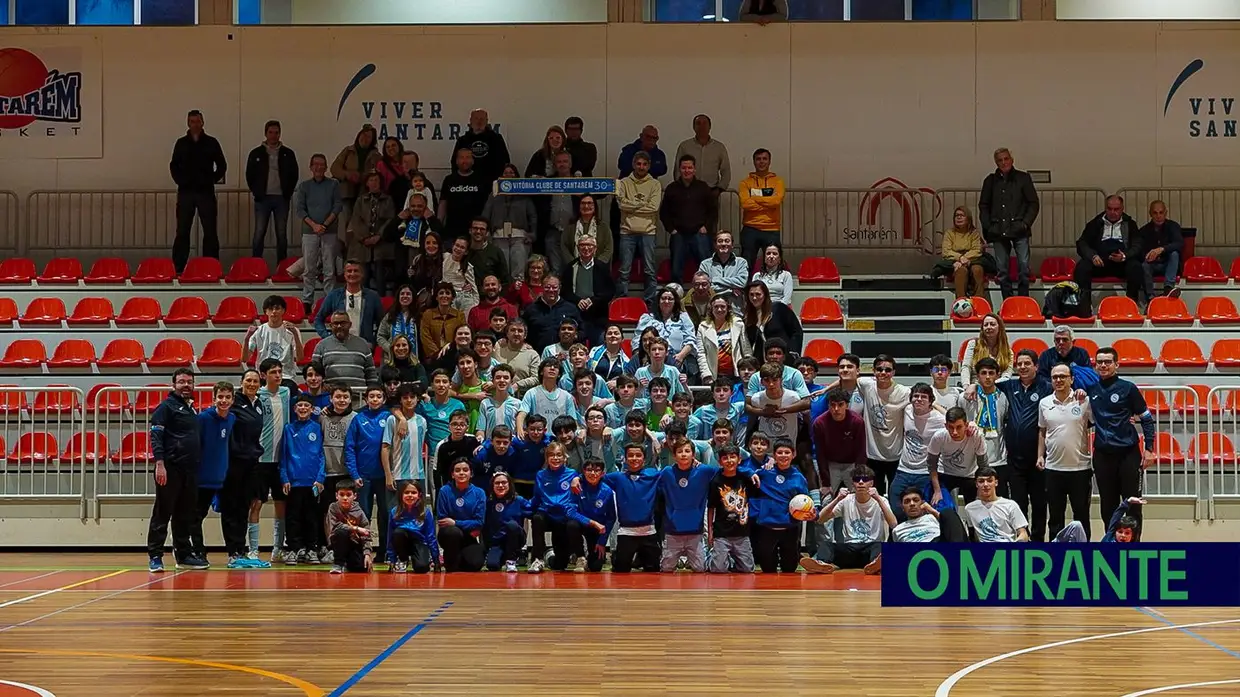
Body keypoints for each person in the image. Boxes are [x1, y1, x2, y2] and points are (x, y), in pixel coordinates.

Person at [1088, 345, 1155, 523]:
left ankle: (1133, 541)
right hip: (1103, 455)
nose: (1103, 365)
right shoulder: (1091, 390)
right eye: (1099, 362)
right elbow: (1087, 419)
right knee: (1107, 506)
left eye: (1107, 362)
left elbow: (1147, 419)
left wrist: (1149, 449)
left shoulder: (1128, 388)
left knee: (1132, 504)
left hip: (1128, 455)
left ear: (1116, 365)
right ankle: (1110, 539)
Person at [146, 368, 204, 572]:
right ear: (174, 385)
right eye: (181, 382)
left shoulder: (190, 408)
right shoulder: (166, 408)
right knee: (163, 513)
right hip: (170, 468)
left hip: (190, 470)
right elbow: (156, 437)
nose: (186, 385)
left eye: (189, 381)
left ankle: (184, 555)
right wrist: (160, 464)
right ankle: (155, 556)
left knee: (184, 514)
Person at [994, 348, 1052, 541]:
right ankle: (1022, 538)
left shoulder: (1047, 387)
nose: (1023, 367)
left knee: (1039, 502)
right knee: (1018, 503)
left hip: (1038, 458)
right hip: (1014, 459)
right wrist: (971, 387)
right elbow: (987, 383)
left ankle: (1038, 540)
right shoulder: (1009, 386)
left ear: (1036, 366)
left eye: (1027, 363)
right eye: (1019, 364)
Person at [802, 465, 894, 574]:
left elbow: (893, 524)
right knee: (826, 544)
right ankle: (821, 564)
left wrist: (878, 498)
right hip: (849, 550)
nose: (861, 482)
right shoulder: (846, 500)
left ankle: (876, 565)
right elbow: (820, 519)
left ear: (871, 483)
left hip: (871, 550)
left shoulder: (881, 500)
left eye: (865, 479)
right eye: (857, 479)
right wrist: (837, 499)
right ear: (852, 483)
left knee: (880, 546)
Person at [1038, 363, 1094, 541]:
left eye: (1063, 376)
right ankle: (1056, 552)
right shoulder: (1044, 403)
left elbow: (1099, 421)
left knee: (1081, 516)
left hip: (1080, 469)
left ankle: (1084, 552)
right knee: (1055, 517)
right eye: (1055, 377)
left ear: (1072, 379)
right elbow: (1042, 431)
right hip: (1053, 469)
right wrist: (1040, 455)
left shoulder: (1084, 401)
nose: (1058, 380)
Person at [169, 109, 227, 272]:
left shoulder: (211, 142)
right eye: (192, 121)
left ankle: (211, 266)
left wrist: (211, 179)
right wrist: (180, 181)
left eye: (197, 121)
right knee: (182, 231)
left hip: (205, 192)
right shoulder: (181, 143)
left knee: (210, 230)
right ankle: (179, 267)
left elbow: (222, 165)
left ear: (202, 123)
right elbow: (173, 165)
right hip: (186, 192)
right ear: (188, 123)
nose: (195, 124)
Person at [978, 147, 1039, 298]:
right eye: (1000, 160)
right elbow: (983, 205)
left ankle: (1023, 299)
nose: (1004, 162)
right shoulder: (990, 181)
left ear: (1012, 160)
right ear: (996, 163)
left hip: (1020, 229)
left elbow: (1033, 203)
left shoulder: (1023, 178)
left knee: (1024, 267)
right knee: (1002, 270)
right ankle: (1007, 301)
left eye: (1006, 159)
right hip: (998, 230)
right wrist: (988, 227)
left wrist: (1025, 223)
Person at [187, 380, 235, 569]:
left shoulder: (231, 419)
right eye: (220, 397)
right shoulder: (203, 419)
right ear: (214, 398)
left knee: (205, 513)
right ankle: (197, 551)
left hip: (219, 476)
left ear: (232, 400)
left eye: (228, 397)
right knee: (196, 515)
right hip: (201, 477)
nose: (224, 401)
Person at [225, 370, 268, 567]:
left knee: (244, 507)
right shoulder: (233, 403)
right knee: (231, 507)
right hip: (234, 462)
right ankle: (233, 551)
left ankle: (241, 549)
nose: (252, 384)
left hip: (252, 462)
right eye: (248, 380)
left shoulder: (257, 404)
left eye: (255, 381)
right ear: (241, 382)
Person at [1072, 194, 1141, 314]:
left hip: (1121, 263)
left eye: (1116, 209)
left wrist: (1125, 256)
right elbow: (1082, 243)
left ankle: (1131, 306)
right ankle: (1084, 307)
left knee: (1136, 267)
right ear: (1105, 208)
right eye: (1109, 209)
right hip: (1100, 262)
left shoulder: (1130, 224)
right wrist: (1093, 256)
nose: (1113, 212)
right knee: (1081, 268)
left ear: (1122, 209)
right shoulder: (1095, 223)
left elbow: (1137, 245)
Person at [294, 154, 344, 315]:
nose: (319, 167)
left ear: (326, 167)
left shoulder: (334, 184)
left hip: (329, 231)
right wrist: (314, 225)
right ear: (311, 167)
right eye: (315, 164)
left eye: (322, 164)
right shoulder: (304, 186)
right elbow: (300, 209)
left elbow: (337, 206)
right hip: (310, 231)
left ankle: (329, 300)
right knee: (309, 268)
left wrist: (325, 225)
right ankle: (307, 300)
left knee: (329, 268)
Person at [854, 355, 911, 496]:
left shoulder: (904, 392)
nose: (883, 373)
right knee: (875, 497)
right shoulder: (866, 385)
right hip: (872, 455)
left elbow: (926, 400)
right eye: (879, 369)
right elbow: (845, 378)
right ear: (873, 371)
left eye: (888, 370)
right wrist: (825, 390)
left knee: (896, 497)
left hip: (896, 456)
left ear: (894, 372)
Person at [279, 394, 325, 565]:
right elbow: (284, 456)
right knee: (293, 517)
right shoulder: (289, 429)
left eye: (307, 405)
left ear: (312, 409)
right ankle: (294, 549)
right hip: (294, 482)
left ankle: (311, 548)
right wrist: (284, 478)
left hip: (313, 482)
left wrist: (320, 478)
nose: (303, 408)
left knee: (312, 517)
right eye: (300, 405)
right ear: (295, 409)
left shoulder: (317, 428)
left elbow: (322, 455)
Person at [751, 438, 809, 573]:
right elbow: (741, 470)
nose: (783, 456)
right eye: (780, 452)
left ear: (793, 454)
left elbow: (806, 501)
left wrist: (812, 513)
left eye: (787, 452)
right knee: (768, 569)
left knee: (789, 568)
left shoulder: (799, 478)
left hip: (790, 528)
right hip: (767, 527)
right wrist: (750, 473)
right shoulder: (764, 472)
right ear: (774, 455)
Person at [602, 443, 662, 573]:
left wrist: (694, 463)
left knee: (654, 571)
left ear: (644, 459)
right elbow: (594, 477)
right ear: (625, 459)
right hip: (626, 533)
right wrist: (577, 479)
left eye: (638, 455)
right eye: (630, 455)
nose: (634, 458)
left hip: (649, 533)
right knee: (620, 571)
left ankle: (640, 559)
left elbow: (673, 472)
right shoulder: (617, 477)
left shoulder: (653, 474)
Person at [245, 120, 298, 263]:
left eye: (276, 133)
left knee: (281, 234)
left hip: (281, 199)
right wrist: (257, 192)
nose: (273, 136)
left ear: (280, 134)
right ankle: (256, 264)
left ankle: (282, 265)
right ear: (265, 133)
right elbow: (249, 175)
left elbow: (294, 174)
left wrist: (287, 193)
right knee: (259, 232)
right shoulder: (256, 153)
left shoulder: (288, 153)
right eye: (270, 132)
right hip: (263, 199)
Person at [889, 383, 946, 515]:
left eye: (924, 397)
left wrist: (936, 405)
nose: (919, 399)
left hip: (924, 473)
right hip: (903, 470)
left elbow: (953, 418)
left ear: (930, 401)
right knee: (896, 507)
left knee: (922, 511)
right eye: (916, 396)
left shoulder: (938, 419)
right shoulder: (907, 410)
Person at [348, 385, 392, 555]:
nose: (375, 399)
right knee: (363, 514)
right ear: (366, 399)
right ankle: (362, 550)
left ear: (384, 399)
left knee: (385, 513)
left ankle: (384, 551)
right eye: (371, 396)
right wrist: (354, 474)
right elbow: (350, 448)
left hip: (384, 476)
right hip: (363, 476)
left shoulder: (388, 417)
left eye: (378, 396)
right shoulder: (358, 419)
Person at [316, 383, 356, 559]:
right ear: (331, 399)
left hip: (347, 472)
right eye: (338, 397)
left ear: (350, 399)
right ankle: (330, 546)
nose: (342, 400)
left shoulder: (355, 418)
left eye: (345, 397)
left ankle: (346, 546)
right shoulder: (322, 416)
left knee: (346, 511)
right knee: (327, 511)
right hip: (327, 473)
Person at [616, 151, 663, 303]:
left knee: (649, 270)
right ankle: (621, 301)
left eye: (644, 164)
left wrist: (631, 206)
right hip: (627, 232)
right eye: (638, 164)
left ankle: (650, 303)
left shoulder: (655, 184)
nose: (641, 167)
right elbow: (621, 205)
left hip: (648, 232)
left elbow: (654, 207)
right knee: (624, 270)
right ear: (633, 165)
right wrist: (642, 204)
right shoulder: (623, 182)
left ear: (649, 166)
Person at [661, 154, 716, 279]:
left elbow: (713, 210)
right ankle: (677, 291)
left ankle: (708, 291)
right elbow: (664, 212)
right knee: (676, 269)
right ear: (679, 169)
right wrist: (671, 229)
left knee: (706, 269)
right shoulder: (671, 188)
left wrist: (706, 226)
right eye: (684, 168)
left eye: (690, 168)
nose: (687, 171)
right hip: (678, 234)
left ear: (694, 169)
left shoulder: (703, 187)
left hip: (700, 233)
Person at [481, 164, 538, 282]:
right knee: (503, 269)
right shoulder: (494, 195)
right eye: (505, 173)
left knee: (519, 269)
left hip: (519, 236)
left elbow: (532, 216)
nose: (508, 175)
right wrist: (486, 234)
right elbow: (486, 215)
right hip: (499, 236)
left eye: (511, 172)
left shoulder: (524, 194)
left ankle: (518, 291)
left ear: (516, 175)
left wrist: (533, 234)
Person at [674, 114, 730, 232]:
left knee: (710, 227)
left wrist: (719, 190)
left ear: (710, 126)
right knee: (687, 225)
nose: (702, 126)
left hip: (711, 193)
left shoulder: (719, 147)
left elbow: (726, 171)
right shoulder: (685, 146)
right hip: (688, 193)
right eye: (698, 124)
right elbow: (678, 170)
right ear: (693, 127)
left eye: (705, 123)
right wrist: (682, 189)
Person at [706, 444, 756, 573]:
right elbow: (711, 508)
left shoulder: (745, 478)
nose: (729, 461)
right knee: (718, 569)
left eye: (733, 457)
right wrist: (710, 531)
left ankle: (732, 560)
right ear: (720, 462)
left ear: (739, 459)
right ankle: (710, 557)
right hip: (722, 533)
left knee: (747, 569)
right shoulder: (716, 481)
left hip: (742, 532)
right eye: (725, 458)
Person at [559, 236, 615, 347]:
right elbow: (565, 291)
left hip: (598, 318)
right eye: (582, 245)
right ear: (578, 248)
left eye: (589, 245)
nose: (586, 248)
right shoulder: (570, 267)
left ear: (595, 248)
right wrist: (577, 301)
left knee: (599, 348)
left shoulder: (603, 268)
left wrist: (592, 300)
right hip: (576, 316)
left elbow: (610, 291)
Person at [927, 406, 988, 507]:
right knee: (942, 505)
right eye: (951, 427)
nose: (954, 432)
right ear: (946, 426)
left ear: (966, 425)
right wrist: (937, 491)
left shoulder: (976, 436)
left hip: (969, 475)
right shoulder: (939, 437)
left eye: (959, 427)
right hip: (945, 474)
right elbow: (931, 465)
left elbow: (983, 465)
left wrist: (982, 490)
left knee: (976, 507)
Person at [347, 171, 396, 293]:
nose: (374, 183)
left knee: (380, 275)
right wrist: (364, 238)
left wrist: (379, 235)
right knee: (363, 275)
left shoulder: (388, 200)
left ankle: (381, 299)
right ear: (367, 183)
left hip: (380, 244)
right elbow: (356, 220)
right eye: (371, 180)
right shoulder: (361, 200)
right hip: (363, 244)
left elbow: (390, 219)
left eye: (376, 180)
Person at [313, 260, 383, 346]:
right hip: (339, 345)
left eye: (356, 271)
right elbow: (318, 320)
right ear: (344, 274)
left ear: (362, 274)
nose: (352, 274)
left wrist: (373, 342)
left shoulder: (373, 297)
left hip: (364, 345)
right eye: (349, 271)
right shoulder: (334, 295)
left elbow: (382, 324)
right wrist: (327, 337)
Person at [435, 458, 487, 572]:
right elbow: (443, 520)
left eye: (465, 470)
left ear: (471, 473)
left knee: (475, 564)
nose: (461, 473)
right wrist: (467, 525)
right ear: (452, 475)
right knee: (453, 532)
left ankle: (459, 557)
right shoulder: (444, 491)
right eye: (457, 470)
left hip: (469, 536)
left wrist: (455, 522)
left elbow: (479, 522)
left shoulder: (479, 493)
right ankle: (450, 563)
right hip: (449, 535)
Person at [638, 286, 700, 382]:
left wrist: (681, 356)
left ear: (675, 302)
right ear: (658, 301)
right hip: (653, 359)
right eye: (663, 298)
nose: (666, 301)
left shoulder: (683, 317)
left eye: (670, 299)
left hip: (680, 359)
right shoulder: (647, 318)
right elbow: (637, 341)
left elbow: (691, 340)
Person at [812, 387, 868, 493]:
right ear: (828, 406)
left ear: (847, 405)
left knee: (858, 495)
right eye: (832, 405)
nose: (836, 409)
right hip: (831, 464)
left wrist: (858, 476)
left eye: (840, 405)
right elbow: (820, 453)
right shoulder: (820, 423)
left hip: (852, 464)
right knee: (827, 497)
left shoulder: (857, 422)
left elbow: (861, 451)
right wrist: (825, 482)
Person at [737, 148, 785, 266]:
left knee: (773, 265)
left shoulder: (778, 182)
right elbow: (745, 204)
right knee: (746, 264)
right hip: (750, 228)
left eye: (764, 159)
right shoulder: (745, 183)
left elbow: (776, 202)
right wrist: (768, 203)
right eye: (758, 159)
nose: (761, 162)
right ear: (754, 161)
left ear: (769, 161)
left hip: (772, 229)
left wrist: (754, 197)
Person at [934, 206, 992, 299]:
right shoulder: (949, 233)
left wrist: (965, 259)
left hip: (972, 260)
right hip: (955, 261)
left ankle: (979, 300)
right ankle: (961, 301)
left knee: (977, 269)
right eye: (956, 215)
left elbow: (977, 250)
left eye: (962, 215)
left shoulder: (974, 233)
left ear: (968, 218)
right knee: (961, 271)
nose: (959, 217)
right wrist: (960, 258)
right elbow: (946, 251)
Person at [312, 312, 379, 392]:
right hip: (331, 396)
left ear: (350, 325)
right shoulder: (321, 345)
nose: (339, 326)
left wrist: (372, 391)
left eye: (343, 323)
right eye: (336, 323)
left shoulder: (363, 344)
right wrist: (323, 384)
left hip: (359, 395)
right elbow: (314, 372)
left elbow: (371, 373)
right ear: (330, 325)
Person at [1133, 199, 1184, 302]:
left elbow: (1179, 243)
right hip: (1152, 264)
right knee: (1144, 265)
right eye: (1155, 213)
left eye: (1161, 213)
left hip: (1168, 264)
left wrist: (1162, 249)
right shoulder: (1144, 231)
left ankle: (1168, 288)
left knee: (1174, 254)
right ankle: (1150, 297)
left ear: (1166, 213)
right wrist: (1147, 256)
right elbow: (1138, 249)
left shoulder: (1173, 226)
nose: (1158, 216)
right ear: (1150, 214)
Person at [963, 466, 1029, 542]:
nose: (985, 484)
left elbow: (1023, 534)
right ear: (976, 484)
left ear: (996, 483)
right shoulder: (969, 508)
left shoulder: (1010, 505)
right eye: (981, 481)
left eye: (989, 481)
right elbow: (973, 534)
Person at [482, 472, 531, 572]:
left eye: (504, 482)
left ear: (509, 484)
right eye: (497, 483)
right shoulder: (488, 503)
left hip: (515, 539)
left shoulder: (519, 500)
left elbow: (532, 511)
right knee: (492, 565)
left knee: (511, 525)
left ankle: (511, 561)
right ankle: (501, 557)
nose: (500, 485)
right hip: (497, 542)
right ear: (492, 486)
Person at [696, 293, 749, 385]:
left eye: (722, 306)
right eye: (716, 307)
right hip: (713, 375)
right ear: (711, 309)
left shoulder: (738, 324)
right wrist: (706, 374)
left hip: (736, 374)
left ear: (728, 308)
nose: (719, 309)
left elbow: (746, 349)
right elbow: (701, 353)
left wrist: (747, 370)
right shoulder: (703, 327)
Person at [439, 148, 490, 240]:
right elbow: (443, 203)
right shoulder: (449, 180)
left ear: (473, 161)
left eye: (468, 157)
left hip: (475, 231)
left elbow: (488, 206)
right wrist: (438, 224)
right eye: (461, 157)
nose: (465, 160)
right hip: (452, 230)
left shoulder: (481, 179)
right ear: (456, 161)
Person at [451, 108, 510, 186]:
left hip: (492, 183)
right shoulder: (462, 140)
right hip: (468, 184)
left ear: (487, 121)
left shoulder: (496, 139)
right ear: (470, 121)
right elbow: (454, 162)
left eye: (482, 119)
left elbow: (505, 161)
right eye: (476, 119)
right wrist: (457, 181)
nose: (479, 122)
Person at [387, 480, 437, 574]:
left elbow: (431, 537)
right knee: (398, 532)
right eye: (406, 492)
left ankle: (424, 559)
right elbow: (390, 537)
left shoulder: (425, 512)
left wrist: (436, 559)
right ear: (401, 495)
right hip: (402, 543)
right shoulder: (394, 512)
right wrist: (391, 558)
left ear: (419, 495)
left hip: (419, 543)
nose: (410, 495)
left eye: (413, 493)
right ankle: (402, 560)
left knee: (422, 568)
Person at [325, 480, 375, 573]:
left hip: (353, 543)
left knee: (361, 567)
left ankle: (348, 563)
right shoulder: (333, 508)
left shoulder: (359, 512)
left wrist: (367, 553)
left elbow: (366, 534)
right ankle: (338, 564)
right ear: (336, 496)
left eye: (348, 495)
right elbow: (335, 527)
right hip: (337, 541)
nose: (345, 498)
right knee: (341, 532)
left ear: (354, 496)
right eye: (341, 494)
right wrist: (356, 528)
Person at [743, 281, 803, 357]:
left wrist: (793, 352)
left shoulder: (779, 308)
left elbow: (796, 332)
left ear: (765, 295)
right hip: (762, 360)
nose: (754, 298)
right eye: (751, 295)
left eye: (758, 294)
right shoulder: (748, 317)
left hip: (783, 358)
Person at [576, 459, 616, 572]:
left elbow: (611, 517)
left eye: (597, 470)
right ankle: (579, 556)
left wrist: (602, 541)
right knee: (571, 525)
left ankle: (590, 557)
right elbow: (570, 512)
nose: (593, 473)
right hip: (580, 525)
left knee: (596, 567)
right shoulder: (577, 486)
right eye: (589, 470)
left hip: (597, 529)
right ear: (583, 472)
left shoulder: (607, 491)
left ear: (602, 473)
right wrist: (591, 522)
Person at [522, 276, 582, 352]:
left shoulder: (571, 308)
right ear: (542, 288)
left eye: (554, 287)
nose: (551, 290)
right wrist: (524, 343)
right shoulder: (531, 310)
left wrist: (574, 337)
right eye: (547, 287)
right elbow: (522, 330)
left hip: (566, 354)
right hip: (537, 353)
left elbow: (582, 330)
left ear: (559, 289)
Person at [244, 295, 303, 370]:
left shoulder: (293, 331)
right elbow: (244, 359)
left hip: (285, 374)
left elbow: (299, 358)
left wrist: (295, 335)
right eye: (270, 309)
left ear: (283, 310)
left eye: (277, 308)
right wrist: (246, 339)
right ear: (266, 311)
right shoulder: (258, 331)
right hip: (263, 374)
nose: (274, 311)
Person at [699, 230, 750, 315]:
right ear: (715, 245)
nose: (723, 244)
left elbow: (742, 282)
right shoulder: (705, 264)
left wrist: (715, 280)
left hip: (735, 311)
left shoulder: (741, 262)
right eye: (720, 241)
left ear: (732, 245)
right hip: (712, 311)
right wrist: (730, 289)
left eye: (727, 241)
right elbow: (703, 286)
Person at [959, 313, 1012, 386]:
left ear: (1000, 327)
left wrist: (989, 386)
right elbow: (966, 367)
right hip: (974, 387)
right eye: (986, 325)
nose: (988, 327)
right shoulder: (973, 344)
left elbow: (1006, 376)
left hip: (997, 387)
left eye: (992, 324)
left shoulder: (1008, 351)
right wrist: (966, 386)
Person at [420, 283, 466, 363]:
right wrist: (438, 354)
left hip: (454, 357)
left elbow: (462, 336)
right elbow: (425, 337)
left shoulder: (459, 315)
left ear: (452, 297)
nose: (444, 296)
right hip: (433, 358)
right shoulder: (427, 314)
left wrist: (450, 352)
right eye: (441, 293)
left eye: (448, 293)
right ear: (436, 297)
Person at [562, 194, 613, 266]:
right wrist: (574, 264)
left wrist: (596, 265)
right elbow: (564, 247)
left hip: (597, 267)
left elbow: (608, 249)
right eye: (583, 203)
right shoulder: (570, 227)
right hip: (575, 267)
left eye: (589, 203)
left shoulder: (603, 227)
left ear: (595, 206)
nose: (586, 206)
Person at [377, 285, 420, 356]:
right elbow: (380, 336)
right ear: (398, 297)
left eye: (408, 294)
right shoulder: (390, 315)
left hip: (414, 357)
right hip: (392, 358)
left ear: (413, 297)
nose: (405, 296)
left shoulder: (419, 316)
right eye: (402, 294)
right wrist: (390, 349)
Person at [443, 235, 480, 315]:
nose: (458, 249)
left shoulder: (467, 267)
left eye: (462, 247)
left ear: (466, 252)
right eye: (457, 245)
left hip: (462, 296)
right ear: (453, 246)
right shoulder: (445, 257)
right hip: (446, 294)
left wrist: (476, 305)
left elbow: (473, 286)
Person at [589, 324, 630, 393]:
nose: (613, 335)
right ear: (605, 339)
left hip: (613, 394)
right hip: (594, 390)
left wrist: (618, 383)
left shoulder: (626, 361)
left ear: (622, 339)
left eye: (616, 333)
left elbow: (627, 380)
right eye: (609, 333)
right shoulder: (594, 352)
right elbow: (587, 371)